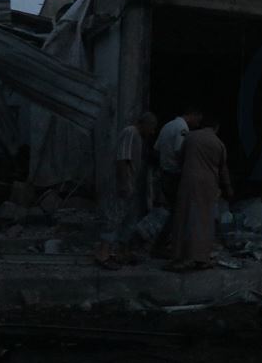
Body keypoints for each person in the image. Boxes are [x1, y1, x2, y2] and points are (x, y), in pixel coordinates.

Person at [165, 115, 233, 271]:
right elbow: (223, 169)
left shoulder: (190, 137)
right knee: (204, 222)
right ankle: (201, 258)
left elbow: (180, 158)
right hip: (208, 185)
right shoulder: (218, 143)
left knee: (184, 219)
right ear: (216, 128)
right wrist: (228, 188)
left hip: (188, 182)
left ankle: (181, 256)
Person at [96, 112, 158, 270]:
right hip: (121, 185)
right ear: (145, 124)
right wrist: (124, 183)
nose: (152, 132)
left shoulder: (138, 137)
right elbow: (122, 159)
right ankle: (103, 254)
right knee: (113, 218)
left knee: (125, 219)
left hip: (130, 184)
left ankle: (119, 252)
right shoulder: (130, 132)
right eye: (152, 128)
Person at [151, 107, 203, 256]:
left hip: (165, 172)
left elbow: (156, 149)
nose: (198, 124)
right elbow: (180, 151)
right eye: (198, 120)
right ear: (193, 114)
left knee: (174, 211)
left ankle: (166, 243)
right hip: (174, 175)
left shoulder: (168, 126)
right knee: (178, 213)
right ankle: (162, 245)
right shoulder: (182, 128)